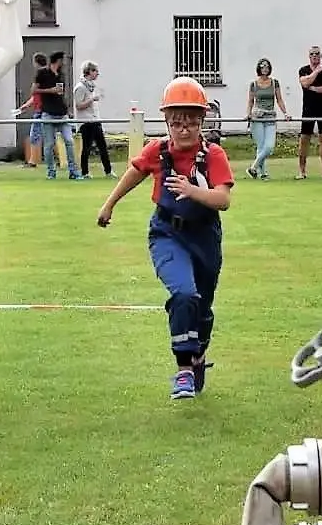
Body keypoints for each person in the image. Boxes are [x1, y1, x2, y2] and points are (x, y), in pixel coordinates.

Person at [96, 78, 234, 401]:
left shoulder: (213, 155)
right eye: (176, 122)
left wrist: (192, 191)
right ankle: (184, 369)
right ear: (167, 121)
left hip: (204, 236)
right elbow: (135, 172)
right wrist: (109, 204)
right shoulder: (157, 151)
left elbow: (223, 200)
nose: (183, 129)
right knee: (184, 293)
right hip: (167, 233)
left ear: (202, 120)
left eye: (191, 122)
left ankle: (198, 354)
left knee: (202, 306)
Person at [35, 51, 82, 180]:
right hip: (48, 114)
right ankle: (51, 171)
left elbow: (62, 94)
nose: (64, 63)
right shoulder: (42, 73)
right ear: (58, 61)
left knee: (69, 141)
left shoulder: (61, 75)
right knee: (49, 144)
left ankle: (73, 171)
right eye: (63, 61)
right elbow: (34, 90)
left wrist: (67, 109)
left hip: (62, 114)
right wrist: (50, 91)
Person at [245, 58, 290, 180]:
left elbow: (279, 99)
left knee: (269, 146)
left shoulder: (274, 82)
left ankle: (253, 167)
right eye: (262, 66)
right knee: (261, 146)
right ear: (259, 68)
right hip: (257, 117)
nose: (265, 69)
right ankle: (263, 173)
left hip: (270, 116)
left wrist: (285, 113)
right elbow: (250, 101)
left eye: (267, 67)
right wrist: (248, 114)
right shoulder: (254, 84)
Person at [296, 46, 322, 179]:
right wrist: (316, 72)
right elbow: (304, 83)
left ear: (321, 55)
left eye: (317, 54)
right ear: (309, 56)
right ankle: (302, 171)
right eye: (312, 54)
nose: (315, 56)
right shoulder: (303, 70)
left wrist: (314, 89)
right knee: (304, 139)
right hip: (308, 109)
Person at [73, 60, 113, 178]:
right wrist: (92, 99)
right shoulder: (80, 87)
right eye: (95, 71)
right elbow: (79, 106)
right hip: (86, 122)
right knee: (87, 147)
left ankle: (108, 171)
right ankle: (85, 172)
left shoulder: (91, 87)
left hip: (95, 120)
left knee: (102, 146)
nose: (97, 74)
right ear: (89, 71)